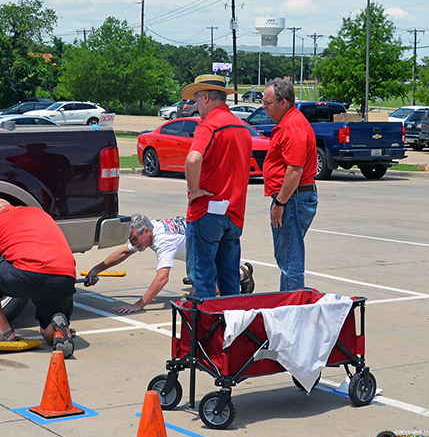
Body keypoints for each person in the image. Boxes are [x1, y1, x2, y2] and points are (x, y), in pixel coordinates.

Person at [0, 199, 76, 357]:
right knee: (47, 334)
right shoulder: (38, 212)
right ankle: (57, 327)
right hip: (65, 278)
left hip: (28, 274)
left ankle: (3, 332)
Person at [84, 214, 255, 313]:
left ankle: (242, 273)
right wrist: (96, 269)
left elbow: (162, 278)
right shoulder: (152, 227)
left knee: (196, 298)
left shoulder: (163, 240)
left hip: (211, 250)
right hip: (204, 246)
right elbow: (124, 252)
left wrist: (138, 305)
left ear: (146, 231)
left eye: (135, 239)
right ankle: (227, 275)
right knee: (197, 289)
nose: (133, 243)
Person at [182, 74, 253, 299]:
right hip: (234, 212)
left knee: (202, 277)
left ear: (205, 97)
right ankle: (231, 319)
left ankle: (208, 320)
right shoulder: (242, 128)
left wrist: (193, 191)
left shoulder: (209, 126)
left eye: (196, 99)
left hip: (207, 212)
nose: (196, 105)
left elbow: (193, 159)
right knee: (230, 277)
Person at [261, 78, 318, 291]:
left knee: (290, 260)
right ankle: (288, 301)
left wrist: (280, 202)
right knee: (287, 257)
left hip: (292, 199)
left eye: (268, 103)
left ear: (283, 102)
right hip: (292, 197)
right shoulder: (288, 122)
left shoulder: (293, 125)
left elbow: (295, 169)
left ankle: (292, 305)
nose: (263, 107)